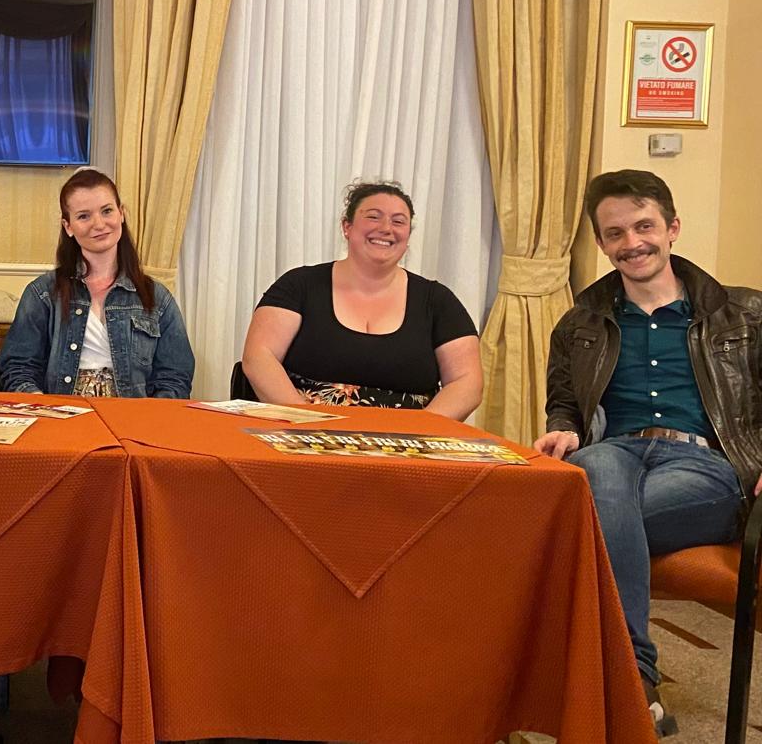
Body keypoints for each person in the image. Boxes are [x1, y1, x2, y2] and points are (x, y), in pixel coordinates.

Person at [534, 169, 762, 736]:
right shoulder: (579, 323)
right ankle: (636, 682)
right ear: (601, 242)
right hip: (614, 455)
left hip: (706, 467)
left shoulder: (746, 314)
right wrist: (564, 430)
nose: (631, 243)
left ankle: (605, 675)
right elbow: (564, 403)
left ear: (672, 228)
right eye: (615, 233)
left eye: (643, 226)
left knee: (580, 520)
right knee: (597, 464)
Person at [241, 180, 482, 418]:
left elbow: (467, 381)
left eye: (398, 221)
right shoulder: (298, 285)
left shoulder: (438, 300)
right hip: (300, 427)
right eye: (373, 217)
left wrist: (424, 429)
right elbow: (259, 356)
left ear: (408, 236)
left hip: (410, 436)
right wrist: (301, 419)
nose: (386, 228)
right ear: (347, 227)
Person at [0, 168, 194, 397]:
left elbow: (175, 378)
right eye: (84, 216)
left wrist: (148, 416)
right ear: (68, 226)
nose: (99, 224)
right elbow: (17, 369)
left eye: (107, 211)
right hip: (59, 413)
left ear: (121, 214)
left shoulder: (158, 297)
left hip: (135, 416)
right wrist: (43, 407)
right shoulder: (42, 294)